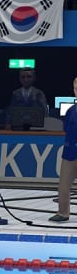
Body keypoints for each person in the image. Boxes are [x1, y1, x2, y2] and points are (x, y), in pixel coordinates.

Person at [53, 75, 77, 222]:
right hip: (70, 153)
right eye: (75, 89)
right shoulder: (71, 111)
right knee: (63, 186)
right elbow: (66, 129)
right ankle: (63, 212)